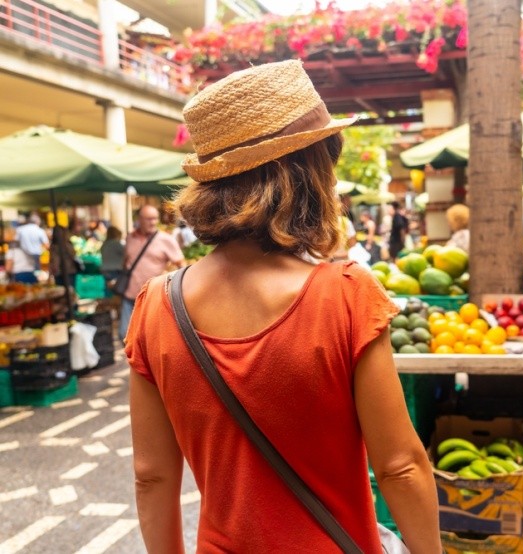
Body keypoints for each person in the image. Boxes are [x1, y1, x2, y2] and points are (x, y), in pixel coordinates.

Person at [126, 60, 440, 553]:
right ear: (308, 174)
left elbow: (151, 476)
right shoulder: (346, 295)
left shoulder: (155, 307)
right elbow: (400, 466)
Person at [120, 205, 184, 341]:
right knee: (124, 335)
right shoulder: (130, 238)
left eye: (155, 219)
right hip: (130, 295)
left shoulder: (166, 240)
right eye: (149, 219)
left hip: (152, 298)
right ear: (139, 219)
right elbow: (126, 261)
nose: (153, 222)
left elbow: (181, 265)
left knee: (150, 338)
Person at [49, 222, 79, 288]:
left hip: (68, 271)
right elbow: (52, 260)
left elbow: (73, 255)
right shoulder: (54, 246)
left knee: (68, 291)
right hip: (60, 272)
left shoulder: (67, 244)